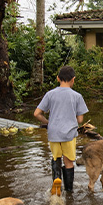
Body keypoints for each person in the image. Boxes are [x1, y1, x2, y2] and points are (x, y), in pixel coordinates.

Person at [34, 66, 88, 195]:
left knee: (55, 158)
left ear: (58, 78)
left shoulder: (50, 94)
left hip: (53, 134)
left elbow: (37, 113)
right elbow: (80, 120)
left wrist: (48, 122)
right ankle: (69, 191)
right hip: (69, 135)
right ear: (73, 79)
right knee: (68, 161)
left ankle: (57, 181)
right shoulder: (77, 96)